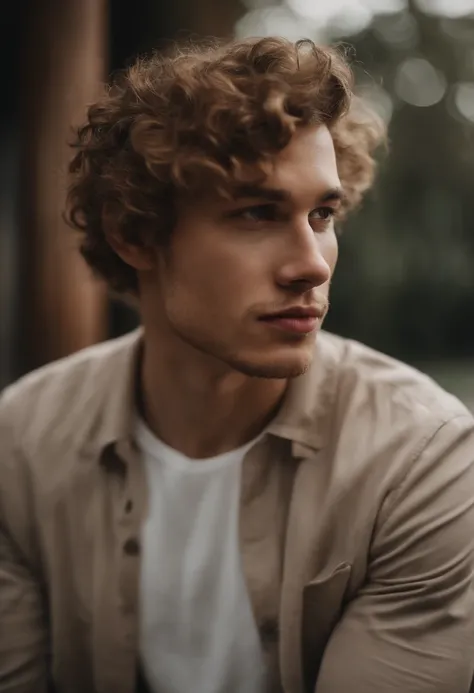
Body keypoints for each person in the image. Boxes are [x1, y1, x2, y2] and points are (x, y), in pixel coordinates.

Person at [1, 36, 474, 693]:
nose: (312, 262)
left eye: (323, 214)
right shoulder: (21, 441)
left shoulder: (420, 459)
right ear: (135, 235)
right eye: (258, 212)